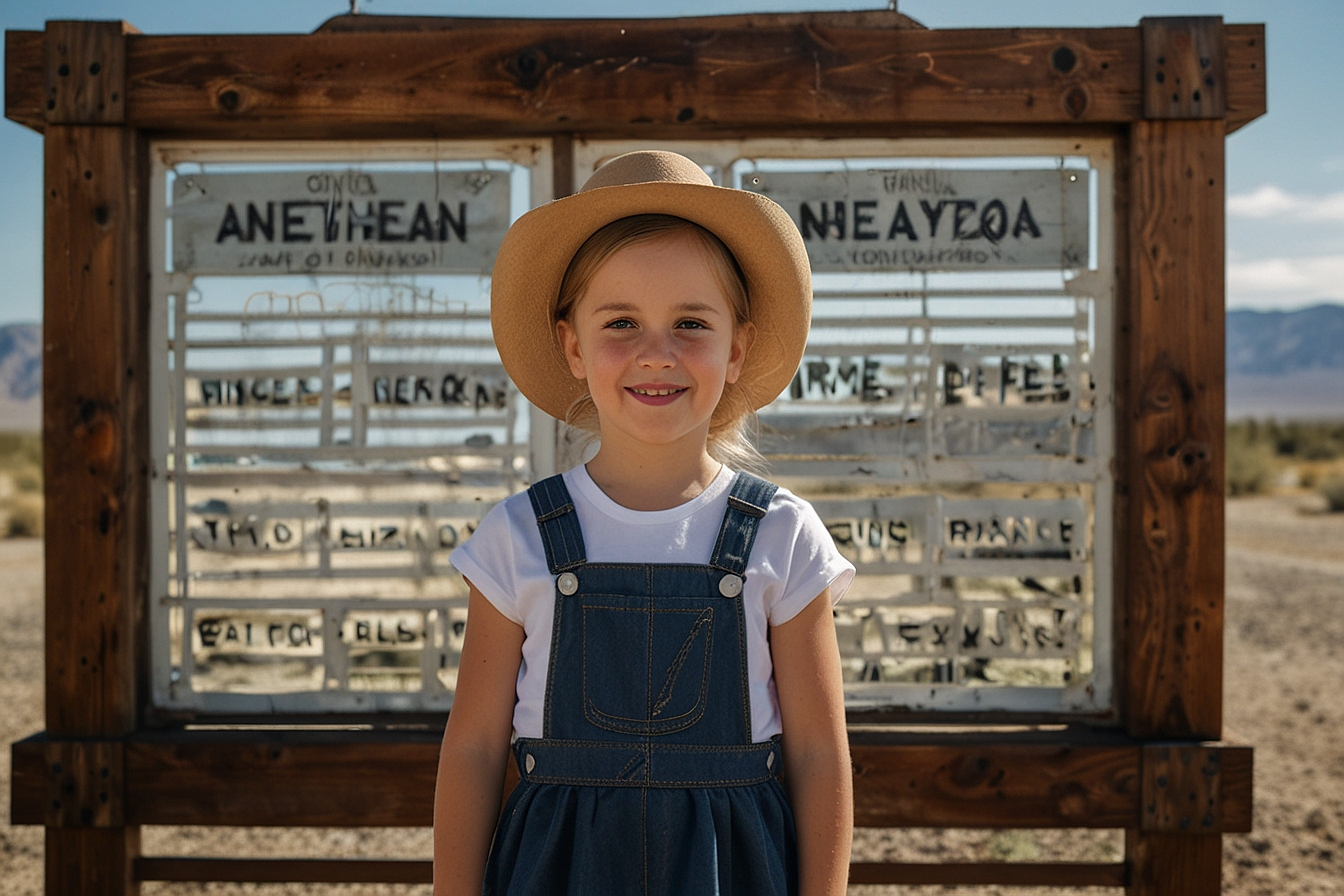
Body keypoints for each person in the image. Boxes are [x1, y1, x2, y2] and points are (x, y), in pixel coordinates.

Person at [433, 150, 855, 896]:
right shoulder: (518, 537)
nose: (656, 353)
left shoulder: (781, 536)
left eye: (691, 322)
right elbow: (471, 752)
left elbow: (820, 756)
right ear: (572, 345)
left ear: (738, 348)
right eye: (620, 321)